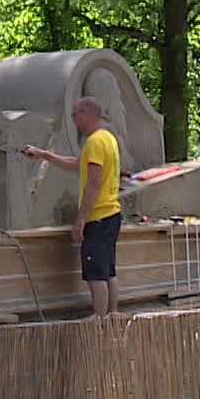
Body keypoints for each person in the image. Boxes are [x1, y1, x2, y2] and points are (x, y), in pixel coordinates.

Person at [21, 98, 123, 315]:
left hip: (98, 216)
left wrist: (80, 220)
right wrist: (43, 154)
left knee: (96, 274)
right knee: (108, 271)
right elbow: (77, 164)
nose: (74, 120)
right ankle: (112, 316)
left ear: (87, 114)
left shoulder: (96, 142)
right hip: (111, 215)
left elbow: (93, 183)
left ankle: (100, 321)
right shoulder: (107, 139)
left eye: (75, 115)